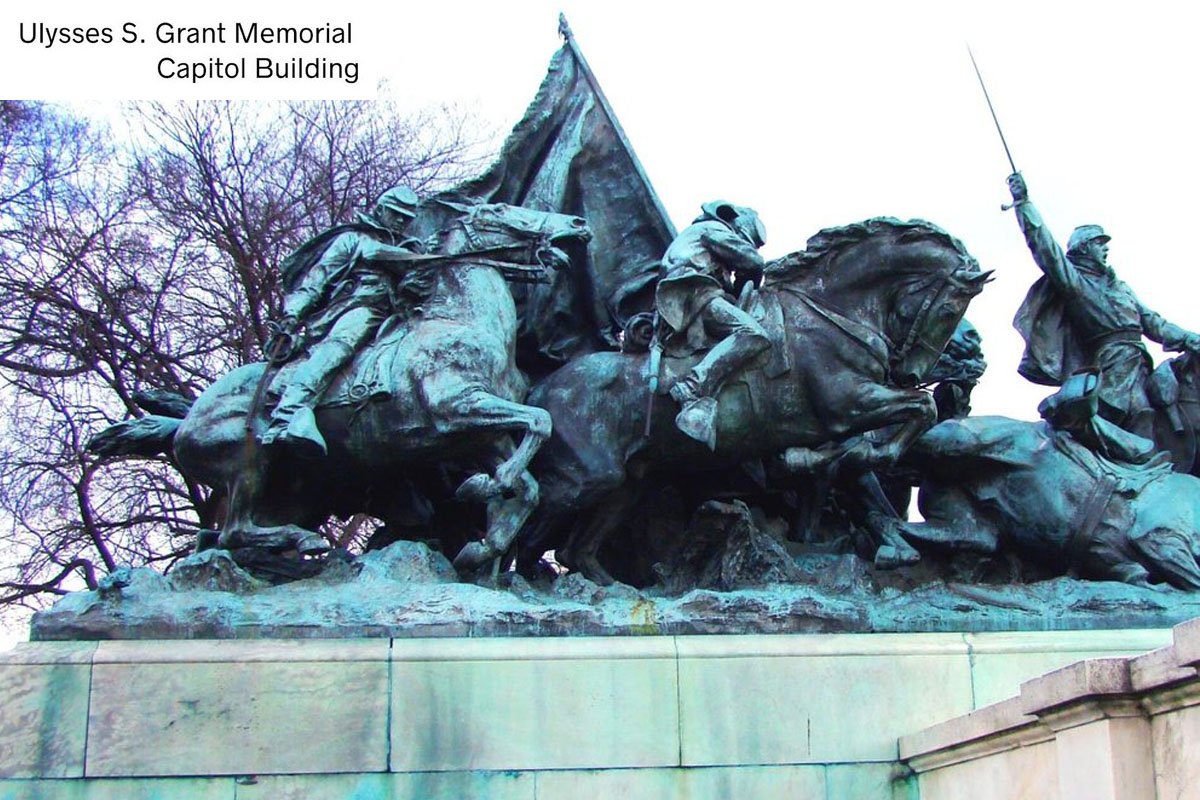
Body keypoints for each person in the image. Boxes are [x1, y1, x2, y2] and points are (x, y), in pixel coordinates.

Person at [1008, 172, 1200, 438]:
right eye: (1099, 244)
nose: (1105, 249)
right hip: (1112, 367)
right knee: (1138, 412)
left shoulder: (1121, 288)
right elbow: (1047, 251)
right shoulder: (1077, 283)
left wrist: (1189, 338)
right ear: (1083, 248)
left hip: (1140, 365)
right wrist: (1023, 204)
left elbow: (1155, 323)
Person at [262, 186, 428, 456]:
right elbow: (318, 278)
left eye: (406, 218)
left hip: (402, 314)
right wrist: (293, 313)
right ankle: (287, 415)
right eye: (395, 213)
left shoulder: (412, 248)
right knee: (341, 344)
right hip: (358, 307)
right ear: (381, 209)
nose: (400, 220)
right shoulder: (353, 239)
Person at [656, 200, 770, 449]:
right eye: (746, 236)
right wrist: (748, 277)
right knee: (752, 333)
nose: (745, 241)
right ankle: (693, 387)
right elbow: (751, 261)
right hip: (693, 291)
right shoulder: (713, 228)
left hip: (699, 293)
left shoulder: (705, 237)